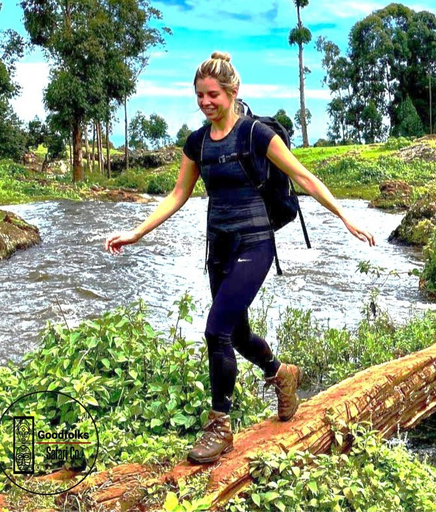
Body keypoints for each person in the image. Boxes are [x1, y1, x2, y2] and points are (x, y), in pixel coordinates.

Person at [104, 52, 375, 464]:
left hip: (255, 244)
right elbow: (178, 195)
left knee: (216, 331)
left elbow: (303, 176)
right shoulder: (196, 143)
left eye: (213, 94)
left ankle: (219, 427)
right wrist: (136, 233)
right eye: (199, 95)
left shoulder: (256, 135)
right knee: (237, 333)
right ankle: (282, 373)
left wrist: (345, 217)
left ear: (233, 92)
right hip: (220, 247)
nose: (205, 102)